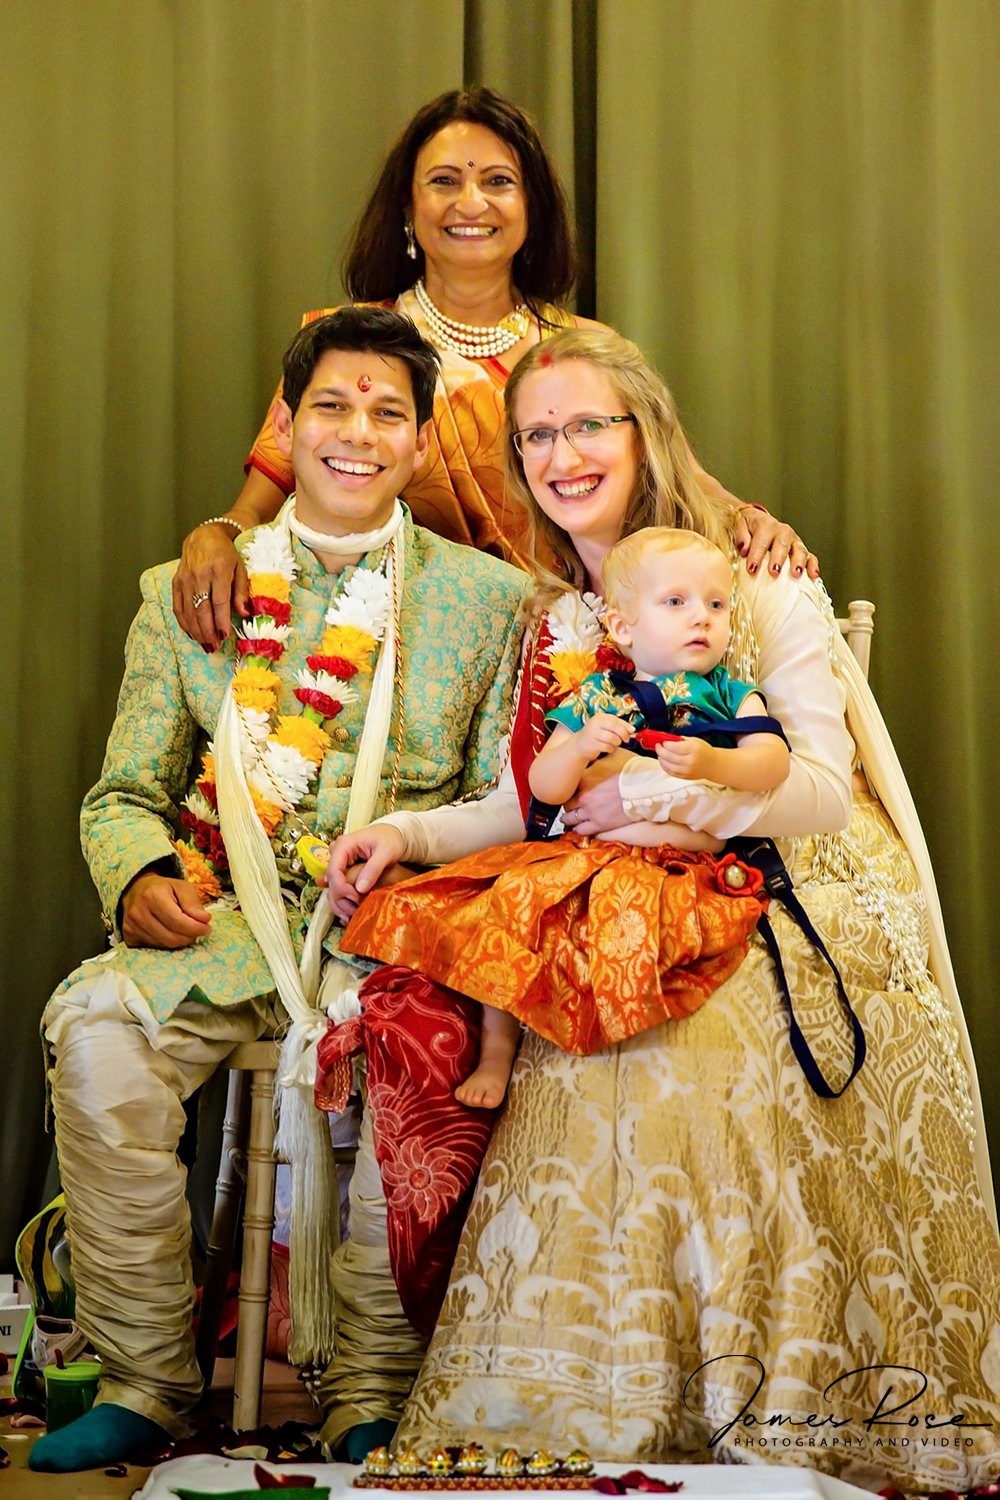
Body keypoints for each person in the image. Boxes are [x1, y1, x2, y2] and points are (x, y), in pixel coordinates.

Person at [324, 327, 1000, 1494]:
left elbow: (822, 795)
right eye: (537, 434)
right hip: (618, 885)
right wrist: (406, 837)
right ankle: (566, 1395)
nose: (562, 453)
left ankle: (744, 1392)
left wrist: (656, 796)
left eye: (589, 424)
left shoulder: (752, 578)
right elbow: (523, 802)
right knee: (539, 993)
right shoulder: (554, 619)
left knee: (680, 1040)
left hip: (787, 876)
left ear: (647, 433)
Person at [28, 306, 528, 1474]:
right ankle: (146, 1381)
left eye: (386, 414)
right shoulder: (185, 593)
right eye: (331, 408)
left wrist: (414, 877)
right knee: (97, 1030)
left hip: (393, 933)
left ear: (418, 446)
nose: (357, 434)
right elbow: (122, 792)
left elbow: (500, 810)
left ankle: (370, 1389)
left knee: (423, 1050)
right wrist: (142, 873)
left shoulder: (489, 603)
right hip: (226, 931)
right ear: (289, 429)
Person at [172, 87, 815, 653]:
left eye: (498, 182)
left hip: (579, 640)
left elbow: (684, 485)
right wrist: (214, 533)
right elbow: (257, 504)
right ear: (407, 206)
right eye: (444, 181)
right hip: (414, 660)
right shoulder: (348, 343)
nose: (470, 202)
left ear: (530, 206)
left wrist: (753, 520)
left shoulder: (587, 351)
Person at [339, 526, 790, 1107]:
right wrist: (576, 748)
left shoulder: (729, 692)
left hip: (679, 864)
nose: (700, 618)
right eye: (676, 603)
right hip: (587, 854)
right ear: (623, 628)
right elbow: (543, 785)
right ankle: (496, 1051)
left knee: (618, 928)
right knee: (511, 911)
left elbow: (773, 764)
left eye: (715, 604)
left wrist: (712, 760)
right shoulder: (599, 694)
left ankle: (614, 1032)